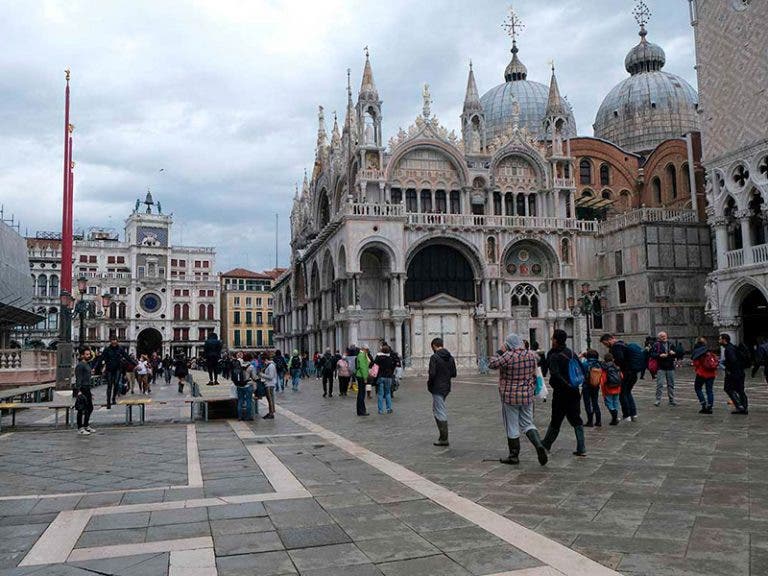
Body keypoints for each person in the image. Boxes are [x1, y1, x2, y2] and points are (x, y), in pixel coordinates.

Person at [489, 334, 548, 465]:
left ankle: (514, 455)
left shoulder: (508, 356)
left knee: (512, 425)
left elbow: (492, 364)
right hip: (527, 395)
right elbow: (539, 360)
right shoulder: (531, 355)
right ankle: (539, 445)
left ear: (508, 344)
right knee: (528, 423)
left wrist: (500, 351)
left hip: (510, 396)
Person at [542, 329, 586, 457]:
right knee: (576, 418)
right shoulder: (572, 353)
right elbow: (581, 370)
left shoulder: (554, 355)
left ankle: (546, 444)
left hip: (561, 392)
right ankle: (581, 447)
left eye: (552, 339)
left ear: (555, 340)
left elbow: (554, 374)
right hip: (574, 391)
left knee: (556, 419)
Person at [599, 333, 638, 422]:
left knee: (622, 393)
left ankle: (627, 415)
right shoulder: (623, 344)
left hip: (626, 373)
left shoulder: (616, 347)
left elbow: (620, 360)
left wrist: (614, 364)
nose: (605, 346)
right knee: (628, 392)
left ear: (609, 340)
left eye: (605, 343)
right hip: (633, 372)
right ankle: (633, 414)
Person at [427, 337, 456, 447]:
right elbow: (453, 373)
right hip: (446, 386)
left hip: (437, 387)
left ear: (434, 345)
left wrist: (430, 383)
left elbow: (432, 373)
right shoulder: (450, 357)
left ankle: (444, 438)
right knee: (438, 408)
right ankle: (442, 437)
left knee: (439, 410)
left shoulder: (434, 357)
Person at [720, 333, 748, 415]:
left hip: (733, 373)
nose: (719, 341)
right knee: (740, 390)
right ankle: (744, 407)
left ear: (724, 340)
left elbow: (733, 360)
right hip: (739, 372)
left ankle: (740, 406)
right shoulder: (733, 347)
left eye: (720, 339)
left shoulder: (729, 349)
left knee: (728, 388)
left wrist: (727, 367)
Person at [98, 337, 130, 409]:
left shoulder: (120, 349)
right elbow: (101, 358)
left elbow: (127, 357)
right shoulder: (107, 349)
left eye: (115, 340)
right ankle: (108, 401)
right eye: (112, 340)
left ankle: (113, 398)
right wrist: (94, 367)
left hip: (118, 369)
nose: (114, 342)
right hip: (109, 369)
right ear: (110, 341)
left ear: (117, 341)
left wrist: (135, 364)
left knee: (116, 383)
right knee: (109, 385)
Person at [691, 337, 717, 414]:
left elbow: (696, 364)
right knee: (709, 390)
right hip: (711, 374)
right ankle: (710, 406)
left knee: (697, 388)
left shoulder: (697, 352)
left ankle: (703, 404)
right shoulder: (708, 350)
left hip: (701, 373)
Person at [651, 331, 677, 406]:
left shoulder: (671, 344)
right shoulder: (656, 345)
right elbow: (652, 354)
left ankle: (671, 400)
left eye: (664, 336)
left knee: (671, 384)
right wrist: (659, 355)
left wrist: (674, 353)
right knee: (660, 384)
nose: (664, 337)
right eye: (662, 336)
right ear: (659, 338)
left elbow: (678, 353)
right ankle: (658, 400)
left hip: (670, 367)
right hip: (660, 367)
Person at [74, 348, 96, 435]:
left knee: (89, 407)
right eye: (87, 354)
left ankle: (86, 425)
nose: (89, 356)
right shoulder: (80, 365)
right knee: (81, 409)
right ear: (82, 355)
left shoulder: (87, 364)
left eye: (89, 354)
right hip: (82, 388)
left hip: (87, 388)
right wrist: (78, 390)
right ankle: (80, 428)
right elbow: (78, 379)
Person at [579, 349, 602, 427]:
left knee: (588, 403)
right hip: (596, 385)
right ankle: (598, 421)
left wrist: (581, 356)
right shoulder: (599, 364)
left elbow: (580, 371)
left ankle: (590, 421)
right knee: (595, 402)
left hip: (586, 385)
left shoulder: (585, 364)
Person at [373, 343, 396, 414]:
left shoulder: (379, 358)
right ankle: (389, 408)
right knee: (388, 393)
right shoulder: (390, 358)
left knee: (380, 394)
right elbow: (393, 367)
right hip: (388, 377)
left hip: (381, 376)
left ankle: (380, 410)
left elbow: (374, 364)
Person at [601, 353, 622, 425]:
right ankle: (615, 417)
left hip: (608, 388)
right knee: (616, 402)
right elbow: (621, 377)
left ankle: (614, 417)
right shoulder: (616, 367)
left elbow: (603, 380)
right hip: (617, 388)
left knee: (609, 403)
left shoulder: (604, 368)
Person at [355, 345, 371, 416]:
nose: (367, 351)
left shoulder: (361, 355)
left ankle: (361, 410)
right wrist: (365, 377)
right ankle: (361, 411)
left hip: (360, 375)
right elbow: (363, 367)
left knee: (361, 394)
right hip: (361, 376)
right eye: (367, 350)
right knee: (361, 394)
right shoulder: (362, 355)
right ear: (364, 349)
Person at [260, 353, 277, 419]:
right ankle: (270, 412)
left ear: (266, 359)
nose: (263, 362)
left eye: (263, 361)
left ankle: (271, 413)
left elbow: (271, 376)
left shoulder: (271, 366)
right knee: (269, 399)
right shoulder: (268, 365)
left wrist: (262, 375)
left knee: (270, 399)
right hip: (268, 384)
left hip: (270, 384)